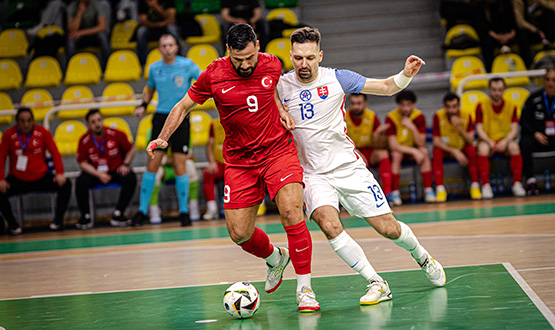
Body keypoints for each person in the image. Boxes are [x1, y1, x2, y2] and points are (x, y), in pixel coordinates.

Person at [147, 24, 320, 312]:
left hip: (278, 151)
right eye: (239, 60)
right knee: (239, 233)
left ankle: (305, 290)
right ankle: (276, 258)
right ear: (228, 51)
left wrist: (280, 109)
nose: (246, 65)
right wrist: (163, 137)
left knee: (291, 210)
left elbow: (273, 91)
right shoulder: (213, 74)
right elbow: (182, 107)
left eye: (250, 58)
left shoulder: (272, 63)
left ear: (258, 46)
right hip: (240, 161)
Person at [277, 27, 445, 306]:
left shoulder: (339, 78)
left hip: (348, 168)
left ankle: (423, 257)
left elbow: (386, 87)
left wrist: (406, 73)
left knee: (388, 229)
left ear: (320, 55)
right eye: (297, 58)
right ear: (291, 56)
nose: (303, 64)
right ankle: (376, 282)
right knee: (329, 225)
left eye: (309, 57)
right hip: (312, 174)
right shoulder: (281, 85)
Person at [133, 34, 201, 227]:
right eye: (164, 45)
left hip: (181, 118)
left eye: (171, 44)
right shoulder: (154, 68)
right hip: (161, 118)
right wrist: (143, 104)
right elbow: (149, 89)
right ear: (160, 49)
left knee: (181, 165)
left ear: (176, 47)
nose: (168, 48)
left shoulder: (187, 65)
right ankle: (142, 211)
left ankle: (184, 212)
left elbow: (203, 81)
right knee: (152, 165)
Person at [0, 108, 71, 235]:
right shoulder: (9, 135)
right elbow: (1, 157)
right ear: (17, 122)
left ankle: (58, 222)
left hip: (41, 177)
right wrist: (1, 179)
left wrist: (59, 173)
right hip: (18, 179)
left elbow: (55, 153)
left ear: (33, 121)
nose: (26, 124)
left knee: (66, 184)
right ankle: (12, 224)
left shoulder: (43, 132)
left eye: (29, 121)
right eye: (22, 121)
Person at [74, 109, 137, 229]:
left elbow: (130, 149)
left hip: (115, 170)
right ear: (88, 124)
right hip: (95, 172)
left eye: (99, 120)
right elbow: (83, 163)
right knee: (81, 181)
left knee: (130, 177)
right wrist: (98, 174)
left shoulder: (116, 134)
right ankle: (85, 217)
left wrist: (125, 164)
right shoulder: (84, 140)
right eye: (93, 122)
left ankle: (118, 214)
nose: (97, 124)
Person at [475, 77, 526, 198]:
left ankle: (517, 184)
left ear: (504, 90)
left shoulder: (511, 106)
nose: (496, 93)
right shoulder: (481, 106)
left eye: (499, 90)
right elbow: (479, 128)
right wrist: (489, 141)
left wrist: (505, 141)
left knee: (514, 147)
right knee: (482, 149)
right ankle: (486, 186)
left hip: (505, 140)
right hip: (487, 140)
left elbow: (514, 129)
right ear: (489, 90)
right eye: (494, 90)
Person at [385, 90, 435, 205]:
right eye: (402, 105)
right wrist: (413, 151)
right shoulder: (391, 117)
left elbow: (421, 143)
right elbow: (393, 145)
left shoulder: (419, 117)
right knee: (396, 155)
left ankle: (428, 190)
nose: (405, 108)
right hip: (400, 150)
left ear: (413, 105)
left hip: (413, 149)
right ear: (398, 106)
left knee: (424, 151)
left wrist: (412, 127)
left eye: (408, 105)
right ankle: (395, 192)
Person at [432, 92, 481, 202]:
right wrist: (454, 151)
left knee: (472, 150)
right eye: (448, 107)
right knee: (436, 152)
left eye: (454, 106)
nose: (451, 110)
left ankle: (475, 186)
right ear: (444, 107)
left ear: (459, 106)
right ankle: (440, 189)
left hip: (462, 147)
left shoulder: (466, 116)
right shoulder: (438, 116)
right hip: (447, 148)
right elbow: (436, 142)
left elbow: (470, 141)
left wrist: (459, 127)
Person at [145, 128, 201, 223]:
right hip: (165, 168)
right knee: (155, 173)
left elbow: (189, 155)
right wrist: (169, 160)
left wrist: (174, 160)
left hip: (180, 166)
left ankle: (192, 205)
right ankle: (153, 208)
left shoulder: (183, 130)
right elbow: (152, 157)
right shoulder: (151, 131)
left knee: (190, 167)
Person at [345, 93, 392, 197]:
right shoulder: (343, 117)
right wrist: (356, 152)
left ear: (365, 103)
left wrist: (377, 134)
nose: (356, 106)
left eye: (359, 103)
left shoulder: (372, 116)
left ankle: (387, 194)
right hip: (351, 153)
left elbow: (379, 145)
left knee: (383, 154)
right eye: (353, 103)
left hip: (370, 152)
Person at [519, 68, 555, 195]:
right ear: (543, 81)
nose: (551, 83)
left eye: (554, 80)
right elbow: (523, 121)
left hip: (554, 137)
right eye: (547, 80)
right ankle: (530, 181)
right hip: (537, 136)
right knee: (524, 143)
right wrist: (535, 133)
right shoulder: (533, 98)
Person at [67, 0, 111, 68]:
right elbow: (72, 29)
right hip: (80, 38)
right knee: (70, 39)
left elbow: (103, 26)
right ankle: (72, 67)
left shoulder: (96, 4)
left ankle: (107, 67)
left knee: (103, 36)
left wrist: (82, 32)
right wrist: (80, 12)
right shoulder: (71, 7)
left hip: (93, 35)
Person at [137, 0, 180, 65]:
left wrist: (156, 6)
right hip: (151, 28)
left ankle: (178, 58)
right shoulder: (143, 1)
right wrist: (159, 24)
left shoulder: (168, 1)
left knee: (172, 29)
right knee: (141, 31)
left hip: (165, 28)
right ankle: (143, 64)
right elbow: (142, 21)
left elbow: (171, 18)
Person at [202, 117, 225, 220]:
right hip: (220, 164)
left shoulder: (239, 120)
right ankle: (212, 208)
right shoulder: (214, 124)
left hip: (236, 164)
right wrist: (212, 163)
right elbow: (210, 145)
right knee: (208, 173)